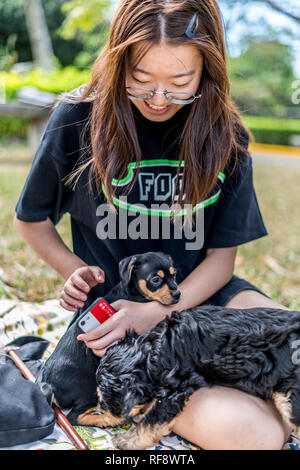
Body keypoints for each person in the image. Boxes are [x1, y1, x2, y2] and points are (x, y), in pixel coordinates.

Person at [14, 0, 291, 450]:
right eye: (140, 81)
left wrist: (162, 311)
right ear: (118, 61)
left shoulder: (226, 134)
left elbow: (221, 262)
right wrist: (75, 271)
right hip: (122, 321)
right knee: (255, 435)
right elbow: (31, 221)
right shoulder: (78, 119)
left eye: (181, 83)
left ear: (208, 70)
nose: (159, 99)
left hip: (207, 298)